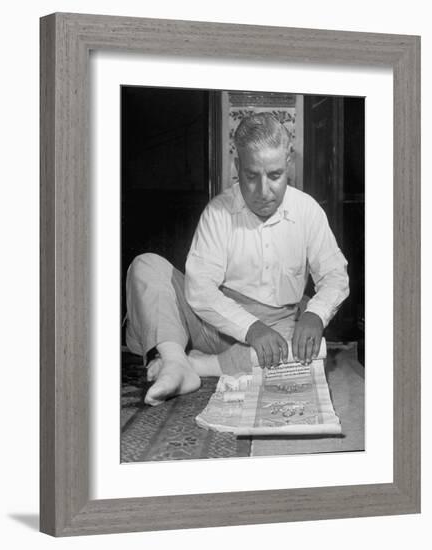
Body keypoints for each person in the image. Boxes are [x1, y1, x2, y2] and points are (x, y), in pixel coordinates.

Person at [125, 113, 349, 406]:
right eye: (251, 176)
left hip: (277, 328)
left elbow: (335, 276)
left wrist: (314, 315)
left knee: (308, 350)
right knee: (146, 265)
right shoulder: (218, 211)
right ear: (237, 166)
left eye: (275, 176)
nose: (263, 191)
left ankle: (196, 367)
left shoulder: (308, 211)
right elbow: (201, 291)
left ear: (289, 163)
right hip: (211, 323)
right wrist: (251, 329)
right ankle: (174, 360)